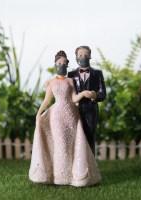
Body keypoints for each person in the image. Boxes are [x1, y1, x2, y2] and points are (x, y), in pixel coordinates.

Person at [29, 50, 101, 187]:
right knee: (60, 143)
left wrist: (84, 94)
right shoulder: (50, 82)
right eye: (59, 63)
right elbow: (47, 100)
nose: (61, 65)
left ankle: (71, 177)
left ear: (67, 64)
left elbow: (74, 98)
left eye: (63, 63)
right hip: (57, 115)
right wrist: (39, 113)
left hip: (71, 115)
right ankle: (59, 177)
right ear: (55, 64)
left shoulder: (71, 81)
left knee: (70, 145)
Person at [68, 46, 106, 156]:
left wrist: (94, 95)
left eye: (85, 55)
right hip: (75, 109)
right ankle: (77, 165)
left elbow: (102, 93)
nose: (83, 58)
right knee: (76, 136)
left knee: (90, 136)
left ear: (90, 56)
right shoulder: (71, 75)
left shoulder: (97, 74)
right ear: (76, 58)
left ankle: (91, 166)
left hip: (91, 110)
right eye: (80, 55)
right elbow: (69, 93)